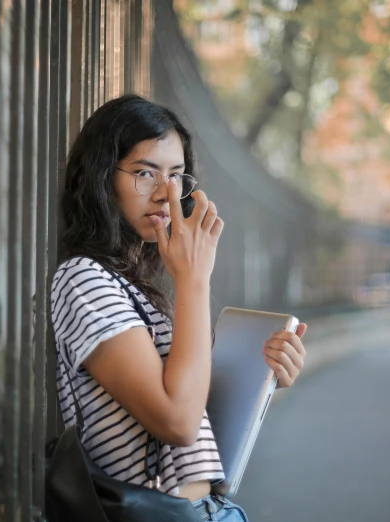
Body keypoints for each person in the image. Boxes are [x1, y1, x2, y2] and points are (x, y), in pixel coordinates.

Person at [49, 94, 308, 521]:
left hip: (206, 509)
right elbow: (177, 421)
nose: (166, 193)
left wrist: (263, 377)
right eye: (144, 173)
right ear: (101, 178)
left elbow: (192, 400)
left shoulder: (138, 287)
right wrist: (193, 280)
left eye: (176, 175)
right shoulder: (83, 279)